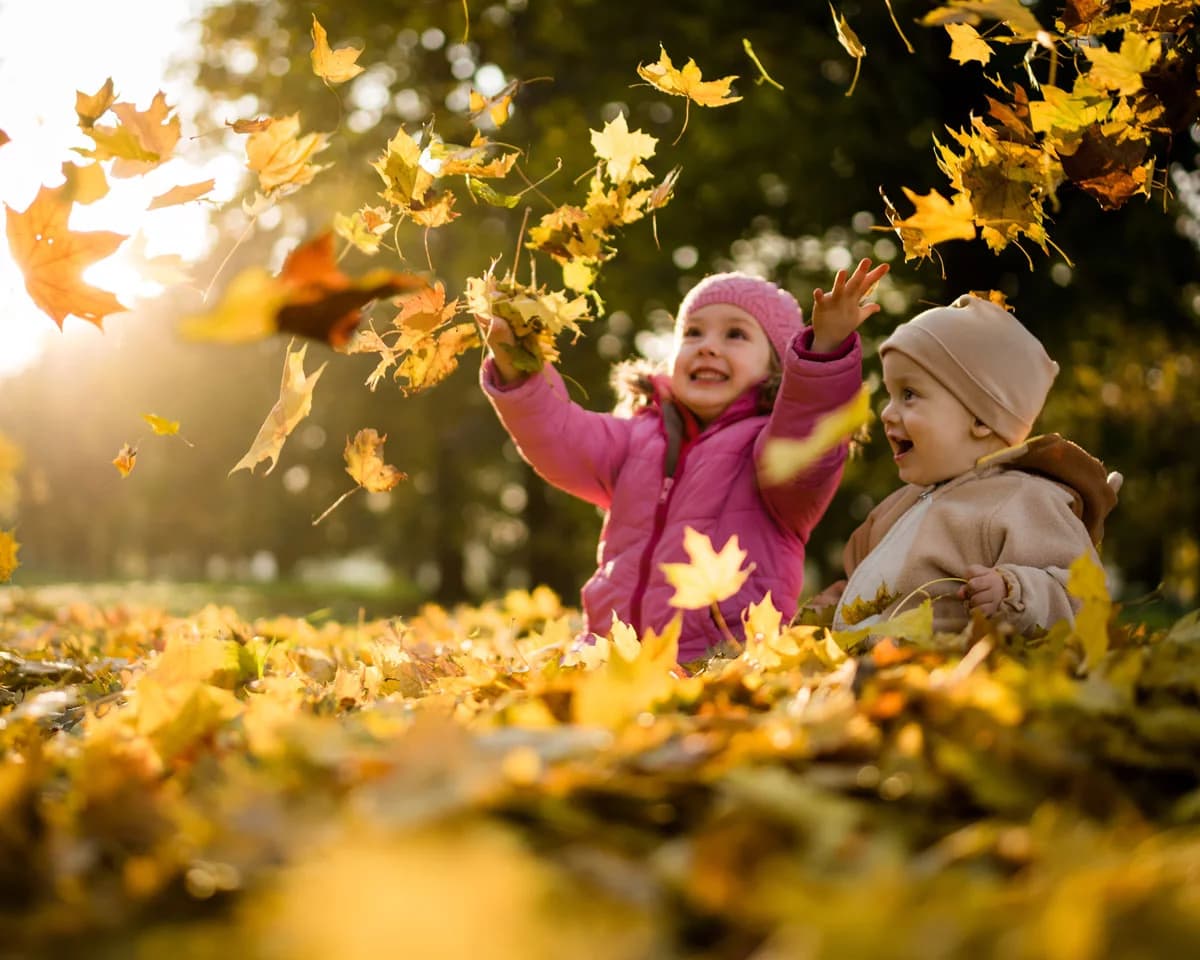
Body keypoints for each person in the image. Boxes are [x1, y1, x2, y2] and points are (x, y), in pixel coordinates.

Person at [480, 259, 889, 663]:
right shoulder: (636, 437)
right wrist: (517, 366)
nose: (707, 346)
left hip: (718, 663)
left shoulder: (770, 450)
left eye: (735, 334)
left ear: (777, 366)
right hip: (611, 657)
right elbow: (559, 435)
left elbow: (807, 434)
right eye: (693, 333)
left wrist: (823, 353)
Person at [822, 293, 1121, 635]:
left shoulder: (1024, 500)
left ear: (980, 419)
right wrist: (832, 605)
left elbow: (1083, 593)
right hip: (876, 664)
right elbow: (869, 585)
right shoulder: (899, 506)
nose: (887, 413)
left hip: (950, 665)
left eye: (909, 394)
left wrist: (1014, 592)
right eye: (890, 396)